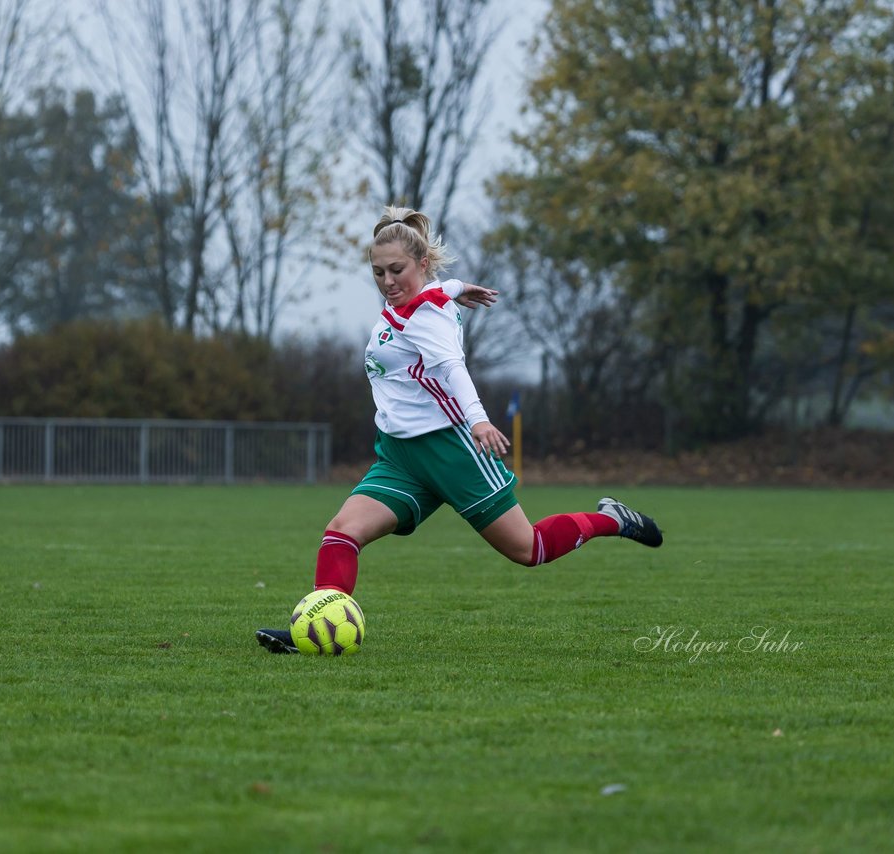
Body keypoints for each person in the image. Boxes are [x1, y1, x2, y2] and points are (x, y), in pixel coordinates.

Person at [256, 206, 662, 653]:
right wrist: (457, 287)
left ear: (421, 265)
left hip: (453, 450)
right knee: (342, 532)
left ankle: (611, 519)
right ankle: (318, 631)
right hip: (401, 457)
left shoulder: (427, 317)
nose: (388, 282)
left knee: (530, 549)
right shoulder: (419, 301)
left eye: (397, 270)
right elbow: (434, 293)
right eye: (378, 273)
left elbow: (452, 368)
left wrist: (479, 419)